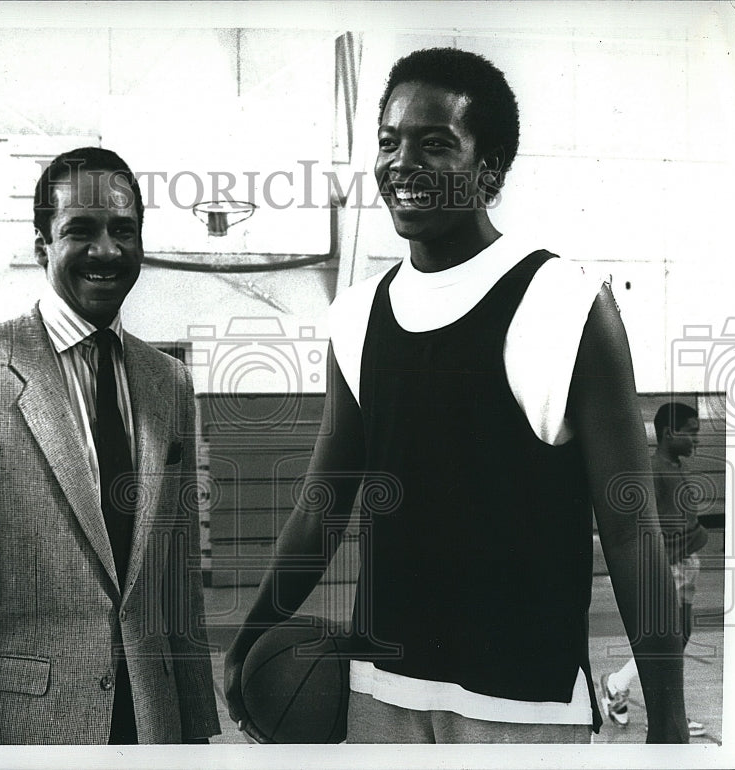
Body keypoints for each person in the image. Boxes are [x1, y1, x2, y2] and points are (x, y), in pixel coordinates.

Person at [224, 47, 690, 744]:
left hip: (522, 707)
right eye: (389, 142)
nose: (401, 162)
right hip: (379, 694)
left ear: (490, 167)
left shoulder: (566, 302)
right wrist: (255, 633)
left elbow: (629, 529)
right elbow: (323, 505)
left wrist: (670, 723)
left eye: (435, 143)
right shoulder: (356, 316)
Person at [0, 147, 220, 744]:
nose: (106, 250)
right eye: (80, 230)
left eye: (124, 231)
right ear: (41, 246)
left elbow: (174, 581)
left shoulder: (168, 381)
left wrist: (197, 730)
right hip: (29, 731)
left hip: (152, 726)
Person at [600, 402, 709, 737]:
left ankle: (618, 685)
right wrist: (685, 545)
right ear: (667, 433)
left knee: (681, 637)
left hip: (686, 565)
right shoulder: (654, 469)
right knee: (666, 642)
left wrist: (695, 536)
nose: (696, 441)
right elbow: (651, 529)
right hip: (670, 566)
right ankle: (661, 713)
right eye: (690, 434)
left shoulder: (677, 466)